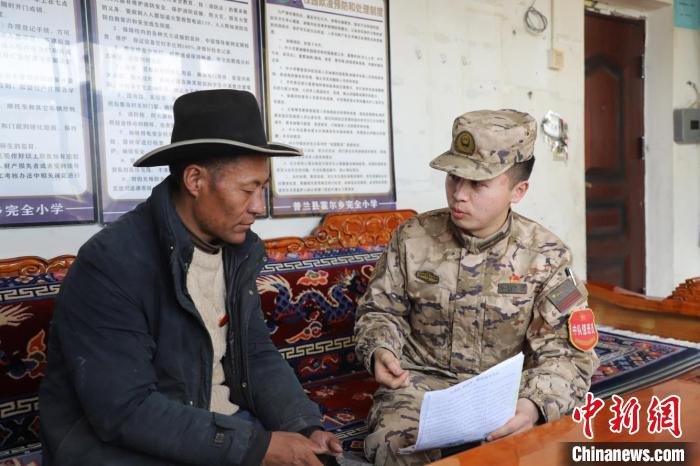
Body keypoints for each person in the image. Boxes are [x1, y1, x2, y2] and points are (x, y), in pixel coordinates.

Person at [39, 89, 342, 465]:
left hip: (217, 432)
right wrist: (256, 448)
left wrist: (303, 426)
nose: (259, 207)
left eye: (262, 189)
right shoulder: (110, 264)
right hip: (129, 448)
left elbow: (256, 356)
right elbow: (124, 410)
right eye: (247, 190)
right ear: (195, 180)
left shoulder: (237, 253)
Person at [354, 109, 599, 465]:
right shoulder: (412, 238)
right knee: (392, 445)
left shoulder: (547, 255)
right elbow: (380, 311)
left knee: (540, 450)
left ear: (518, 190)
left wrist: (532, 405)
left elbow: (569, 352)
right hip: (421, 388)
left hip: (506, 393)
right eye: (454, 177)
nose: (459, 195)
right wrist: (380, 349)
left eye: (478, 184)